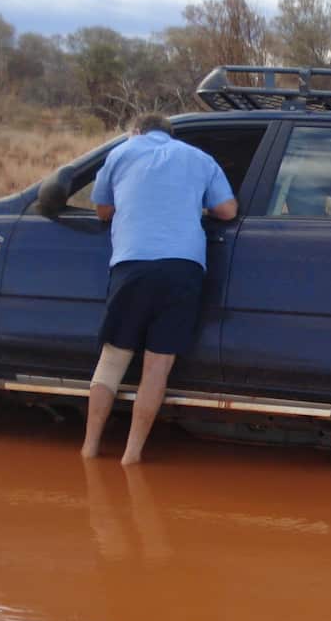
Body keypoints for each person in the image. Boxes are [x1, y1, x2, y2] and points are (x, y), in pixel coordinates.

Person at [80, 112, 238, 465]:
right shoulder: (199, 158)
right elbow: (227, 210)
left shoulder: (121, 152)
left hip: (132, 264)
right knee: (157, 367)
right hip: (183, 267)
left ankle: (89, 449)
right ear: (170, 134)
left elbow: (102, 210)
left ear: (136, 130)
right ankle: (131, 456)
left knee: (112, 360)